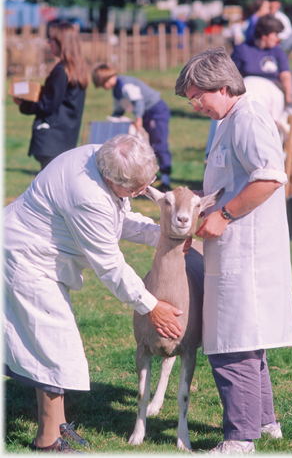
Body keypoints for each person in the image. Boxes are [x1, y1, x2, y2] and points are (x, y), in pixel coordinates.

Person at [4, 134, 184, 453]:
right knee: (53, 349)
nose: (141, 194)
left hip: (41, 258)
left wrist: (167, 235)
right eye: (135, 189)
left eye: (147, 184)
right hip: (26, 260)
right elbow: (111, 267)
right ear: (112, 179)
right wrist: (151, 306)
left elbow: (121, 219)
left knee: (49, 346)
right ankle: (47, 443)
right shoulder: (87, 195)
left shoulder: (100, 158)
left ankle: (57, 426)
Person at [175, 47, 292, 454]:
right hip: (233, 249)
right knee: (248, 338)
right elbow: (232, 178)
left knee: (232, 344)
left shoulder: (247, 118)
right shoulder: (230, 118)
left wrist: (224, 215)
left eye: (198, 97)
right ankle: (265, 424)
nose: (195, 106)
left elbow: (270, 177)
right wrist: (199, 204)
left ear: (223, 87)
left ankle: (240, 438)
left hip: (247, 251)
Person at [13, 21, 90, 171]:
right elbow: (59, 97)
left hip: (51, 137)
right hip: (66, 136)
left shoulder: (61, 70)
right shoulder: (77, 68)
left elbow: (48, 104)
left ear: (62, 42)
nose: (48, 42)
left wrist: (23, 104)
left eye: (51, 39)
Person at [92, 63, 173, 192]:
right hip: (145, 114)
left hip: (155, 111)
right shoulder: (116, 91)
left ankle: (166, 180)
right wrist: (114, 119)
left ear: (107, 78)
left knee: (159, 143)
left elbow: (138, 101)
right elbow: (119, 108)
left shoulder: (125, 84)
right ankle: (149, 178)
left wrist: (138, 117)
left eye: (103, 84)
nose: (104, 87)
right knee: (148, 145)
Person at [231, 14, 292, 135]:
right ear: (264, 36)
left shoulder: (278, 52)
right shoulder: (242, 49)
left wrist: (288, 96)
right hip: (249, 93)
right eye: (275, 35)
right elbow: (231, 75)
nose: (277, 39)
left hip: (272, 94)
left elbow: (286, 75)